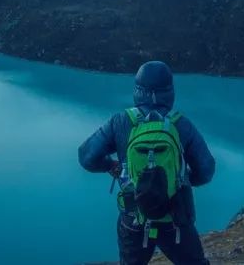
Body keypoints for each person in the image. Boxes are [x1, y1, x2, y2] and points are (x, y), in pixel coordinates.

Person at [78, 61, 215, 265]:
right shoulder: (180, 124)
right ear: (170, 91)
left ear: (137, 90)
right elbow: (206, 170)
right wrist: (181, 179)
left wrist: (110, 165)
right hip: (175, 215)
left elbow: (87, 157)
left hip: (134, 216)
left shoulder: (121, 121)